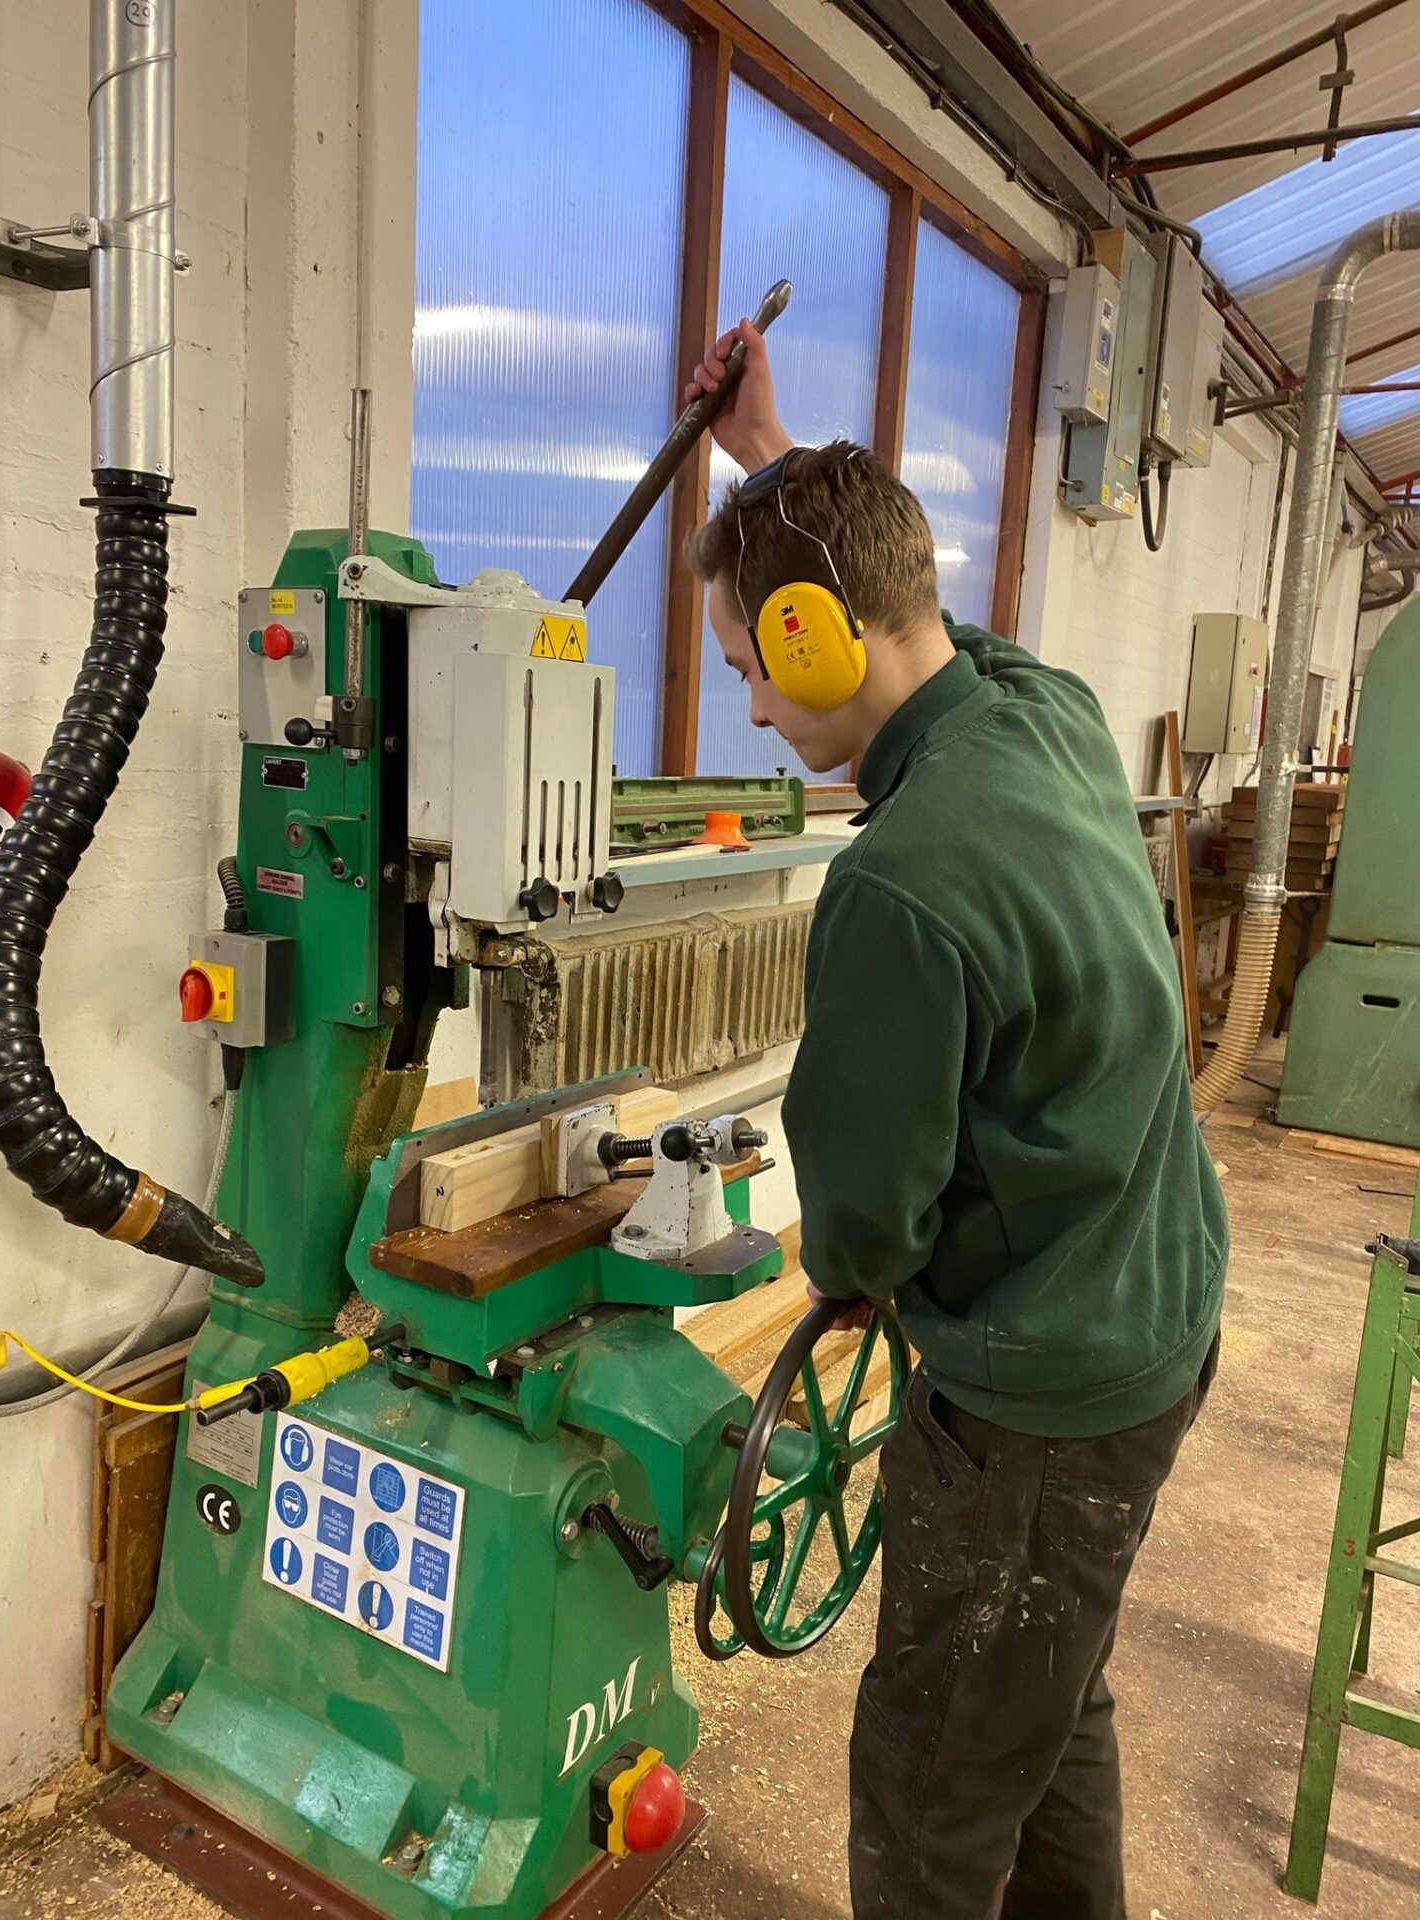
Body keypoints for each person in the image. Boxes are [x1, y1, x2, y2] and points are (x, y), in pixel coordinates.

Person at [683, 319, 1228, 1920]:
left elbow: (862, 1229)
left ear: (811, 643)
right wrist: (770, 463)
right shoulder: (1035, 706)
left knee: (929, 1793)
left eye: (751, 676)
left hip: (1040, 1394)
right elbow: (888, 578)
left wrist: (828, 1247)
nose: (759, 718)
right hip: (1157, 1310)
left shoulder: (899, 887)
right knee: (1045, 1714)